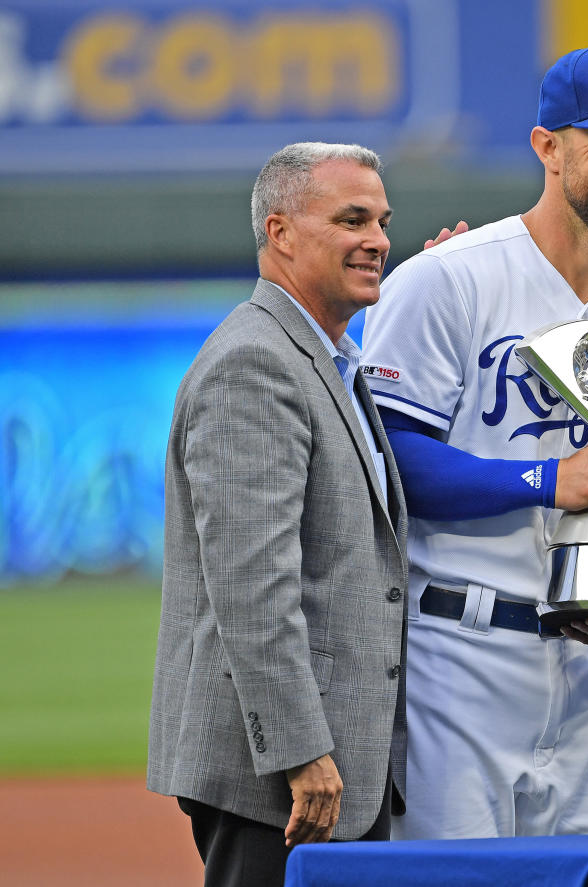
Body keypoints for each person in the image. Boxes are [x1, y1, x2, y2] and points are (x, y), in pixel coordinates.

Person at [359, 44, 588, 839]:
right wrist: (546, 479)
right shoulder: (448, 279)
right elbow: (389, 462)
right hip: (457, 653)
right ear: (547, 148)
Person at [148, 142, 410, 886]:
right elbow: (252, 584)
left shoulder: (328, 357)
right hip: (283, 775)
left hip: (330, 760)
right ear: (280, 232)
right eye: (352, 218)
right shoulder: (254, 363)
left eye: (383, 220)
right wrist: (301, 749)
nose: (378, 239)